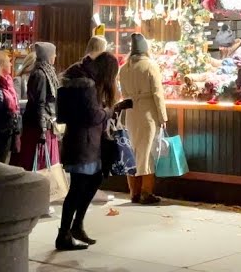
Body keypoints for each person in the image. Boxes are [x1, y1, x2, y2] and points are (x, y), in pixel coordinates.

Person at [55, 51, 131, 251]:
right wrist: (112, 109)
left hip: (82, 141)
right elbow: (93, 115)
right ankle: (65, 233)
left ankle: (75, 227)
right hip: (85, 143)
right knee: (77, 189)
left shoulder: (76, 81)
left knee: (93, 180)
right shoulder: (87, 86)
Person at [117, 33, 167, 205]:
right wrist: (163, 116)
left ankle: (133, 192)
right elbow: (157, 93)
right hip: (147, 113)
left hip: (130, 113)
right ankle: (146, 192)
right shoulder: (150, 66)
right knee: (147, 153)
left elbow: (121, 93)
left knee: (132, 153)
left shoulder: (123, 68)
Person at [11, 42, 61, 171]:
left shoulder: (45, 72)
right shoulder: (40, 74)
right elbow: (40, 103)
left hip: (42, 124)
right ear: (48, 55)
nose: (55, 56)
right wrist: (42, 129)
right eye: (53, 53)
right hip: (39, 126)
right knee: (40, 162)